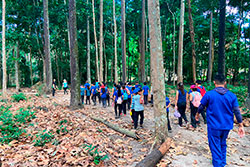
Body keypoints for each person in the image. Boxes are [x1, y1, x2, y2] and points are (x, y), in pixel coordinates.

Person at [196, 74, 245, 167]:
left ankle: (218, 164)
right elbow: (237, 111)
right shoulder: (232, 96)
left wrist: (197, 114)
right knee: (223, 143)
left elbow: (201, 106)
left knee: (215, 146)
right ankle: (222, 163)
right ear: (225, 83)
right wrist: (241, 125)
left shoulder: (209, 94)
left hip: (214, 126)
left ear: (214, 82)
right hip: (226, 126)